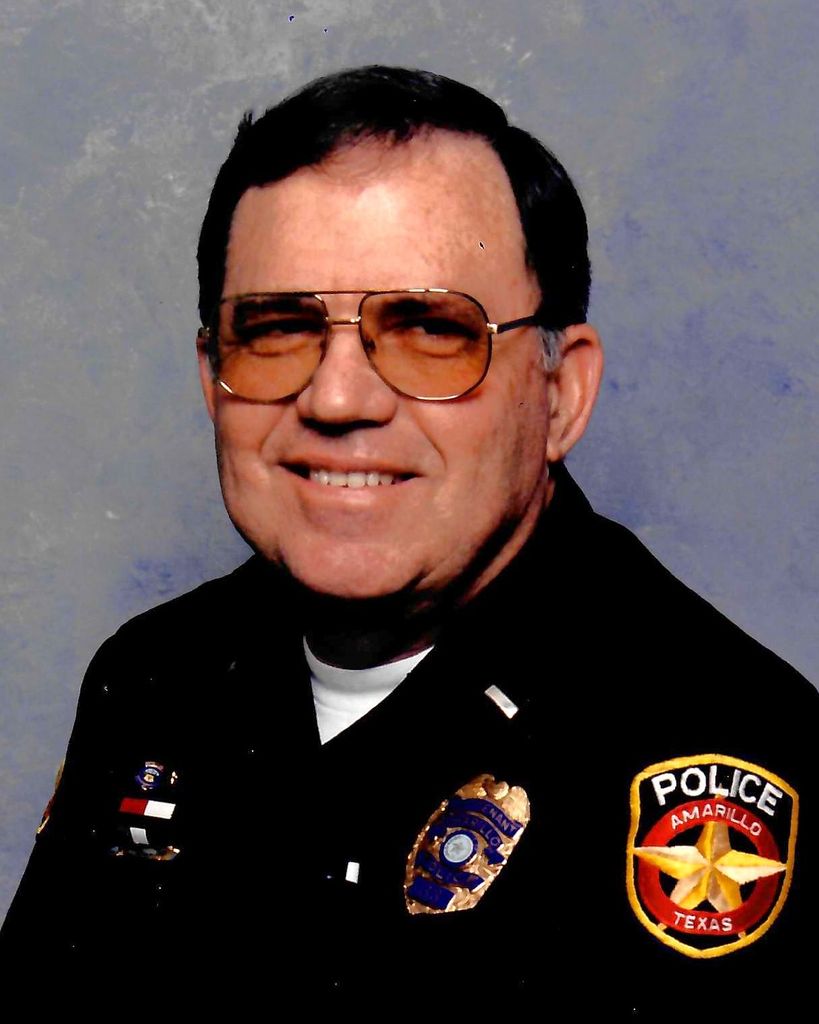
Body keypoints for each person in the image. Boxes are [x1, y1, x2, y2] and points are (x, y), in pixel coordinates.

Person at [2, 66, 816, 1013]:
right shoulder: (152, 679)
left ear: (560, 394)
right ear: (211, 377)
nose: (337, 398)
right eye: (276, 329)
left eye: (431, 329)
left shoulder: (719, 747)